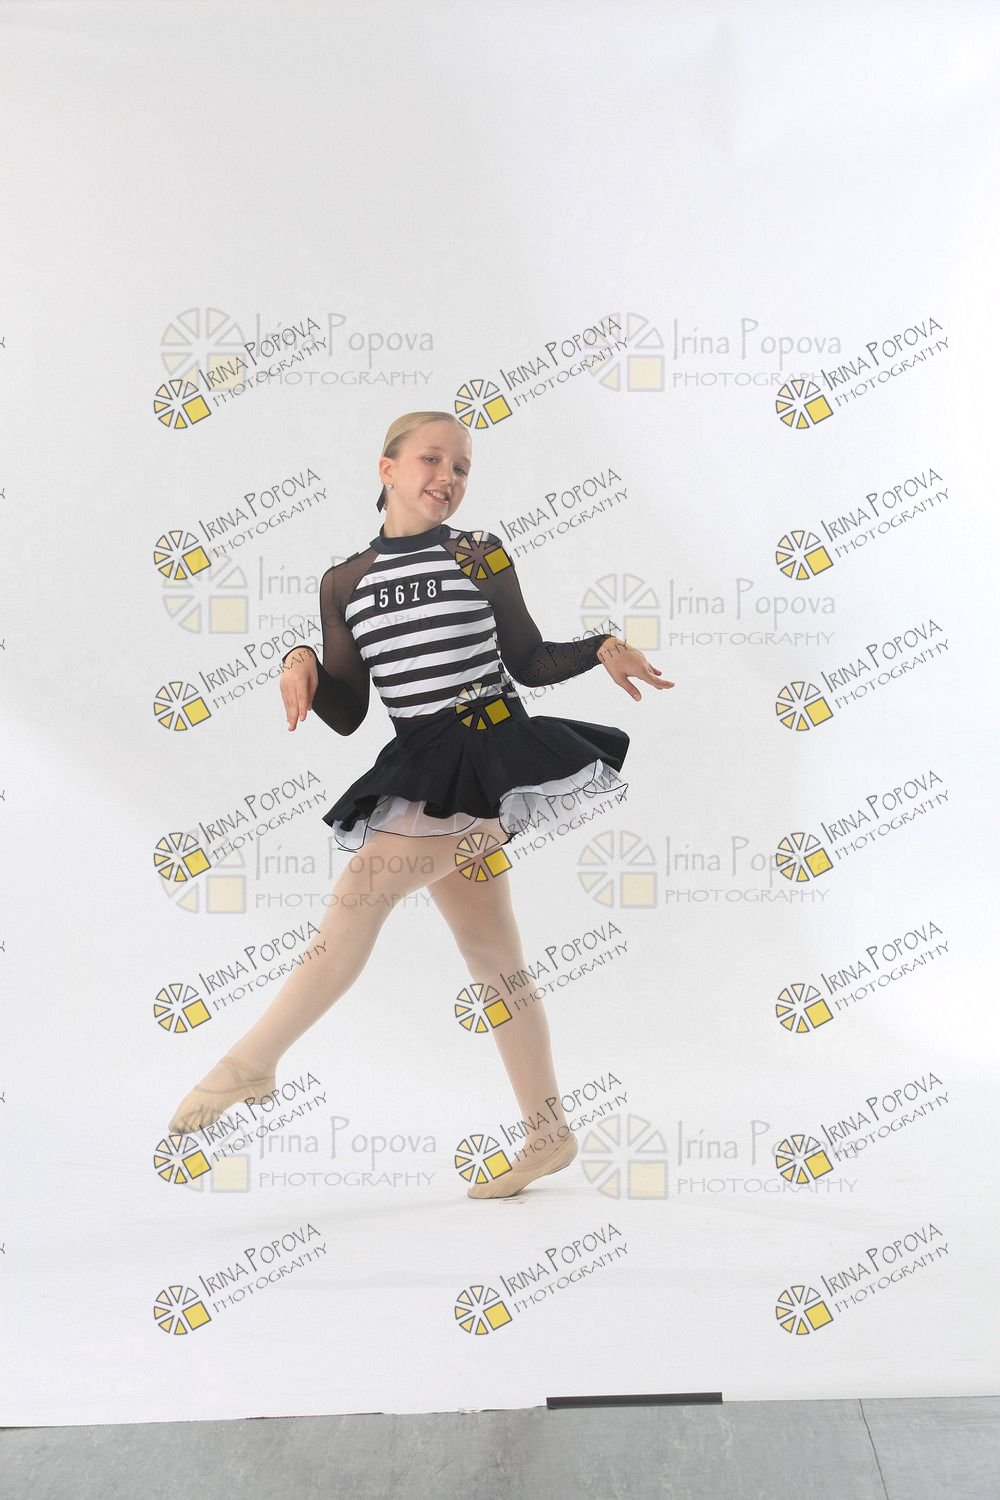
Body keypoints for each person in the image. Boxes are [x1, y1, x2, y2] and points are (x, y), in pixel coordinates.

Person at [167, 410, 672, 1198]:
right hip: (424, 765)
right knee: (493, 957)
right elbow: (348, 710)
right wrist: (301, 659)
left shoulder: (478, 553)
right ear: (388, 469)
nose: (448, 477)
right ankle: (548, 1133)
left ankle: (251, 1062)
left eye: (461, 467)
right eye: (432, 460)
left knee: (361, 893)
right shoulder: (345, 582)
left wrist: (602, 645)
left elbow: (530, 660)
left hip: (489, 751)